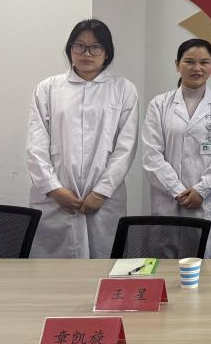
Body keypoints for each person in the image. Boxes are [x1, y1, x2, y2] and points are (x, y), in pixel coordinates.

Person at [26, 19, 138, 258]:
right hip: (57, 200)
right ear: (70, 49)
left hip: (103, 201)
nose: (87, 53)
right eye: (79, 46)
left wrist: (100, 192)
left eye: (96, 47)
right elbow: (36, 146)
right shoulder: (47, 89)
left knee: (104, 264)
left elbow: (125, 148)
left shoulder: (123, 89)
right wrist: (54, 189)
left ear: (107, 52)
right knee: (56, 271)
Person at [142, 39, 211, 259]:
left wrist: (202, 189)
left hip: (210, 202)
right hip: (169, 201)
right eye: (189, 62)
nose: (197, 68)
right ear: (177, 64)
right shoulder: (159, 104)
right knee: (170, 265)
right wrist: (178, 191)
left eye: (204, 62)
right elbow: (152, 155)